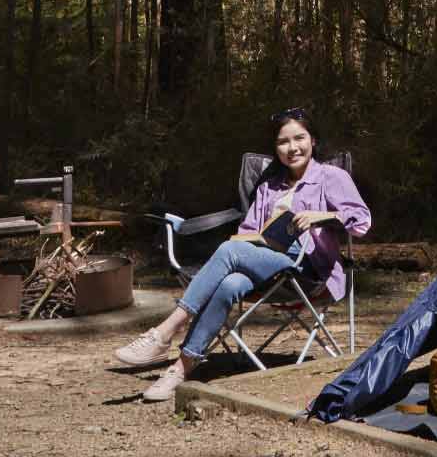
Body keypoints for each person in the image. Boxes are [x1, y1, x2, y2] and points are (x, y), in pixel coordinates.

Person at [113, 108, 370, 402]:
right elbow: (249, 230)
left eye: (299, 138)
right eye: (283, 142)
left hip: (305, 267)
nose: (292, 147)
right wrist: (252, 239)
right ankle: (179, 370)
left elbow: (362, 222)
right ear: (275, 148)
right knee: (229, 284)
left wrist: (321, 216)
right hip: (263, 261)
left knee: (229, 249)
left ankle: (164, 331)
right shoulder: (269, 186)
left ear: (313, 140)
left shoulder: (330, 176)